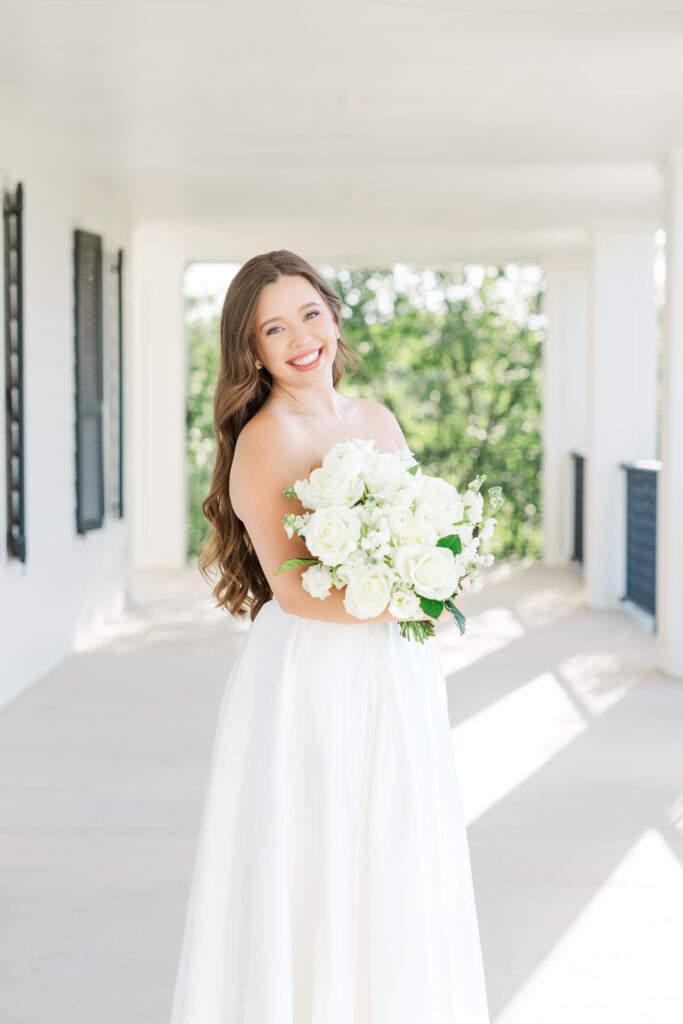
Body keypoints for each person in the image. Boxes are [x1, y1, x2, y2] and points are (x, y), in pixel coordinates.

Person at [169, 250, 490, 1023]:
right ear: (252, 350)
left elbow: (420, 522)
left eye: (308, 313)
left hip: (392, 662)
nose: (299, 338)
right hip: (315, 673)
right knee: (318, 848)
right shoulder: (265, 439)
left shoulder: (375, 418)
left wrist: (428, 564)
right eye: (272, 328)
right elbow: (292, 590)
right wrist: (406, 591)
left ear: (334, 314)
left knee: (396, 847)